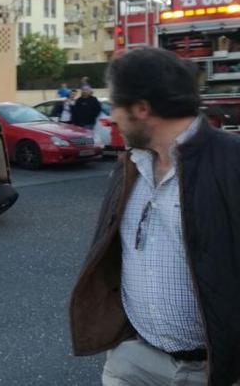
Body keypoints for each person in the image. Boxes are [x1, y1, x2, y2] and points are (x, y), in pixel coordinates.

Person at [69, 48, 240, 386]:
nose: (111, 117)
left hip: (212, 370)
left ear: (142, 109)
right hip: (133, 359)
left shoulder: (231, 163)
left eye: (116, 106)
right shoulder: (130, 166)